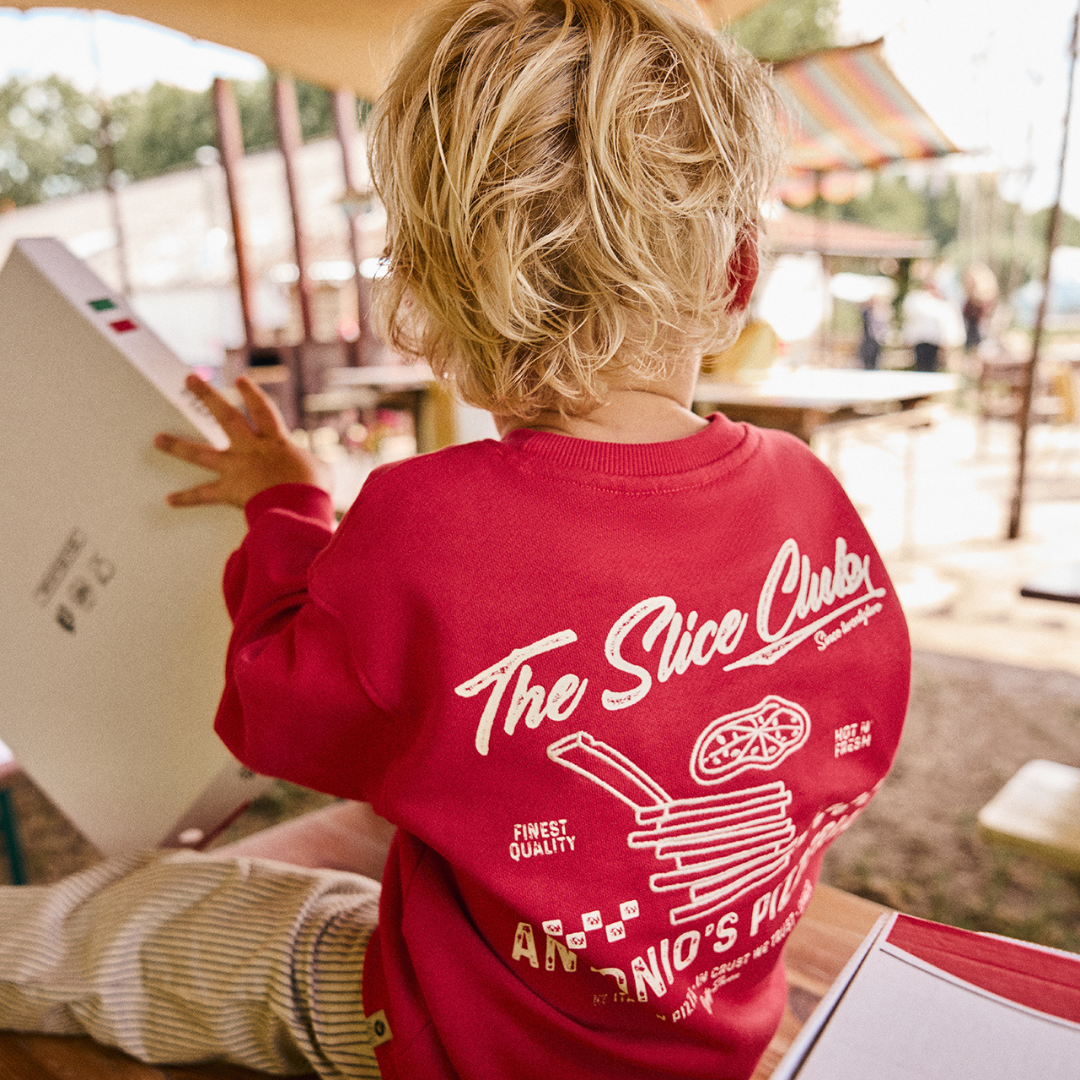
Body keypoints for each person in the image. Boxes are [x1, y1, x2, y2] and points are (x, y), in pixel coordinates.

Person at [0, 2, 911, 1078]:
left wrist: (287, 508)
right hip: (708, 1032)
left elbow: (268, 717)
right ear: (736, 277)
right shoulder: (809, 495)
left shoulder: (425, 523)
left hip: (454, 1042)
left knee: (117, 922)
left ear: (432, 293)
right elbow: (856, 733)